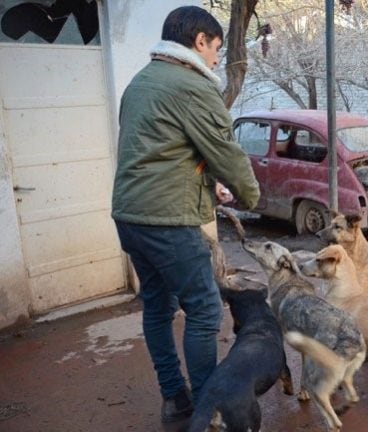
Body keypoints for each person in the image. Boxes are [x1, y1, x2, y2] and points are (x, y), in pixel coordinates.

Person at [111, 6, 260, 423]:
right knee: (205, 309)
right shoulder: (192, 86)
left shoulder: (140, 82)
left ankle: (174, 398)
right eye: (215, 48)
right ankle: (207, 406)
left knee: (157, 307)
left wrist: (208, 182)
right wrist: (251, 196)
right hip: (167, 221)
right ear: (199, 42)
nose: (216, 58)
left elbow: (162, 150)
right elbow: (226, 151)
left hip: (129, 216)